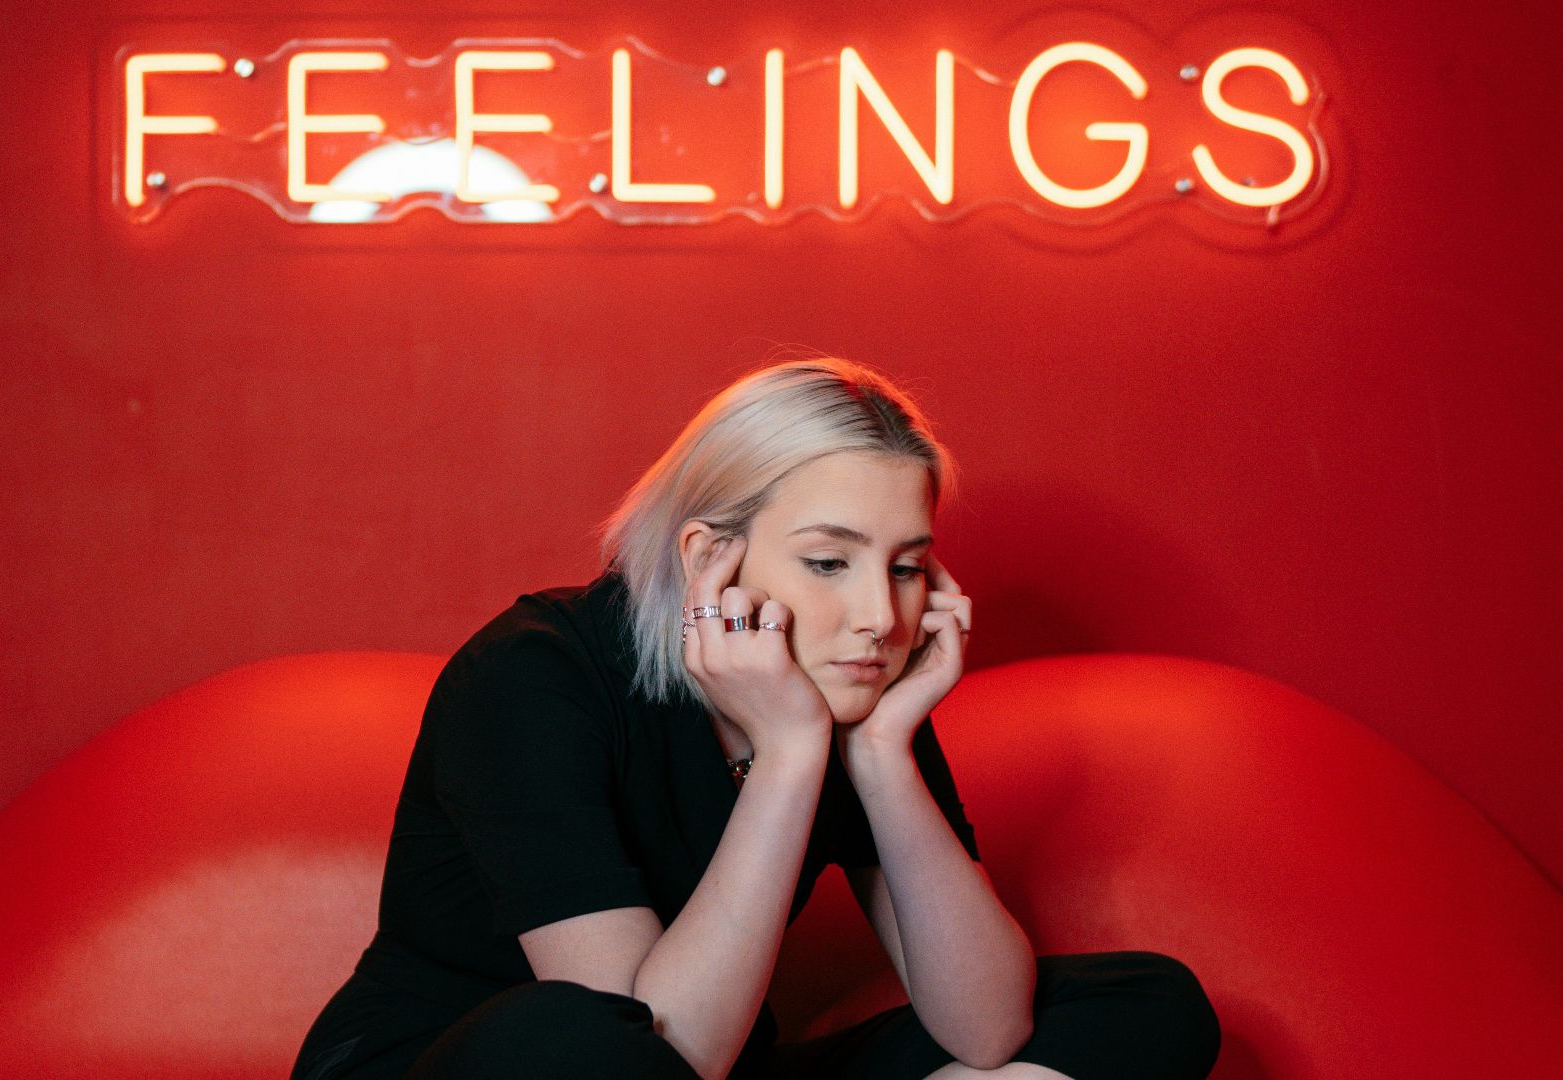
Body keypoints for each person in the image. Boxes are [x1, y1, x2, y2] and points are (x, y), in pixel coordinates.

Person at [291, 357, 1220, 1080]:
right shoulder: (532, 674)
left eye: (905, 567)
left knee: (1148, 1004)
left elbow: (986, 1030)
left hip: (720, 1058)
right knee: (571, 1036)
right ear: (711, 560)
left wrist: (882, 754)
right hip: (487, 1063)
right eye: (829, 563)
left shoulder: (853, 680)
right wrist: (787, 753)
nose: (880, 616)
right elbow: (655, 1047)